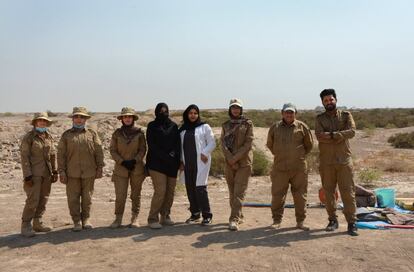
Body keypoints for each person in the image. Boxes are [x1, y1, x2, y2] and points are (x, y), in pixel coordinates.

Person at [315, 89, 359, 236]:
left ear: (336, 100)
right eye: (326, 100)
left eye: (331, 99)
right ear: (322, 102)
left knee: (348, 192)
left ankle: (352, 223)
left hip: (344, 161)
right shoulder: (319, 118)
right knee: (328, 193)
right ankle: (332, 220)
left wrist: (333, 135)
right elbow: (319, 135)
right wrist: (341, 134)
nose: (329, 102)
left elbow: (352, 132)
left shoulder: (346, 115)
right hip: (327, 162)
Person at [266, 103, 313, 230]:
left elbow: (309, 145)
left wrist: (298, 156)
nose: (289, 114)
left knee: (300, 196)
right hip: (280, 168)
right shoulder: (275, 127)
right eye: (287, 112)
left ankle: (300, 222)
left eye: (291, 112)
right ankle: (276, 221)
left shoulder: (302, 127)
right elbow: (270, 144)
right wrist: (280, 155)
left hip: (298, 168)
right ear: (282, 113)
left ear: (295, 114)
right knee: (277, 196)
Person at [57, 107, 105, 232]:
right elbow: (61, 154)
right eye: (76, 117)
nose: (79, 119)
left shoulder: (92, 134)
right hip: (71, 173)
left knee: (87, 197)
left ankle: (86, 219)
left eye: (82, 117)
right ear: (73, 119)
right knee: (73, 198)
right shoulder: (66, 135)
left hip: (89, 172)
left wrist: (100, 167)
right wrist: (61, 171)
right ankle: (76, 221)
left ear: (85, 119)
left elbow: (99, 151)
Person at [20, 112, 58, 237]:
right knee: (33, 200)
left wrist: (55, 171)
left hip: (46, 174)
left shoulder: (48, 136)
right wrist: (27, 176)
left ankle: (38, 223)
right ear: (35, 122)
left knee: (43, 199)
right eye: (40, 120)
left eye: (44, 121)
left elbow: (52, 155)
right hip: (34, 175)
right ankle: (26, 226)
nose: (42, 122)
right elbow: (24, 157)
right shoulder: (29, 138)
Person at [109, 107, 147, 228]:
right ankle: (118, 218)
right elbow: (113, 150)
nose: (127, 119)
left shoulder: (140, 133)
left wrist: (135, 160)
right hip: (121, 169)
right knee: (120, 195)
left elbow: (143, 149)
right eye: (125, 117)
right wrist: (123, 162)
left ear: (133, 118)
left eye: (129, 117)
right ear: (122, 119)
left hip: (137, 168)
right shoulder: (117, 133)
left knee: (136, 195)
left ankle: (134, 218)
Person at [220, 98, 254, 231]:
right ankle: (239, 215)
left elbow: (248, 143)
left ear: (241, 109)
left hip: (244, 163)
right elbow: (222, 143)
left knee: (239, 192)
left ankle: (233, 219)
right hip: (229, 163)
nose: (235, 110)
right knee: (232, 192)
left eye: (238, 108)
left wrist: (235, 158)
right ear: (230, 109)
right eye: (233, 107)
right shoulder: (226, 125)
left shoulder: (247, 124)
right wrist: (230, 159)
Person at [179, 104, 216, 225]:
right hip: (187, 162)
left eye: (195, 113)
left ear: (198, 114)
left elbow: (212, 143)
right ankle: (195, 214)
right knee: (190, 188)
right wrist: (180, 161)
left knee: (200, 188)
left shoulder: (204, 127)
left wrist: (205, 152)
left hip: (201, 162)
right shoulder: (183, 129)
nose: (193, 115)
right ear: (187, 114)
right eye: (190, 113)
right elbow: (179, 147)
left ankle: (207, 215)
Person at [146, 103, 181, 229]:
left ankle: (165, 216)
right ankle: (152, 218)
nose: (163, 113)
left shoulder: (173, 126)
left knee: (170, 192)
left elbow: (177, 144)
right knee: (160, 191)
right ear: (156, 112)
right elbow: (152, 145)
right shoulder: (152, 126)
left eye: (166, 111)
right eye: (161, 111)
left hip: (172, 164)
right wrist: (165, 156)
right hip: (156, 163)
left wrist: (173, 156)